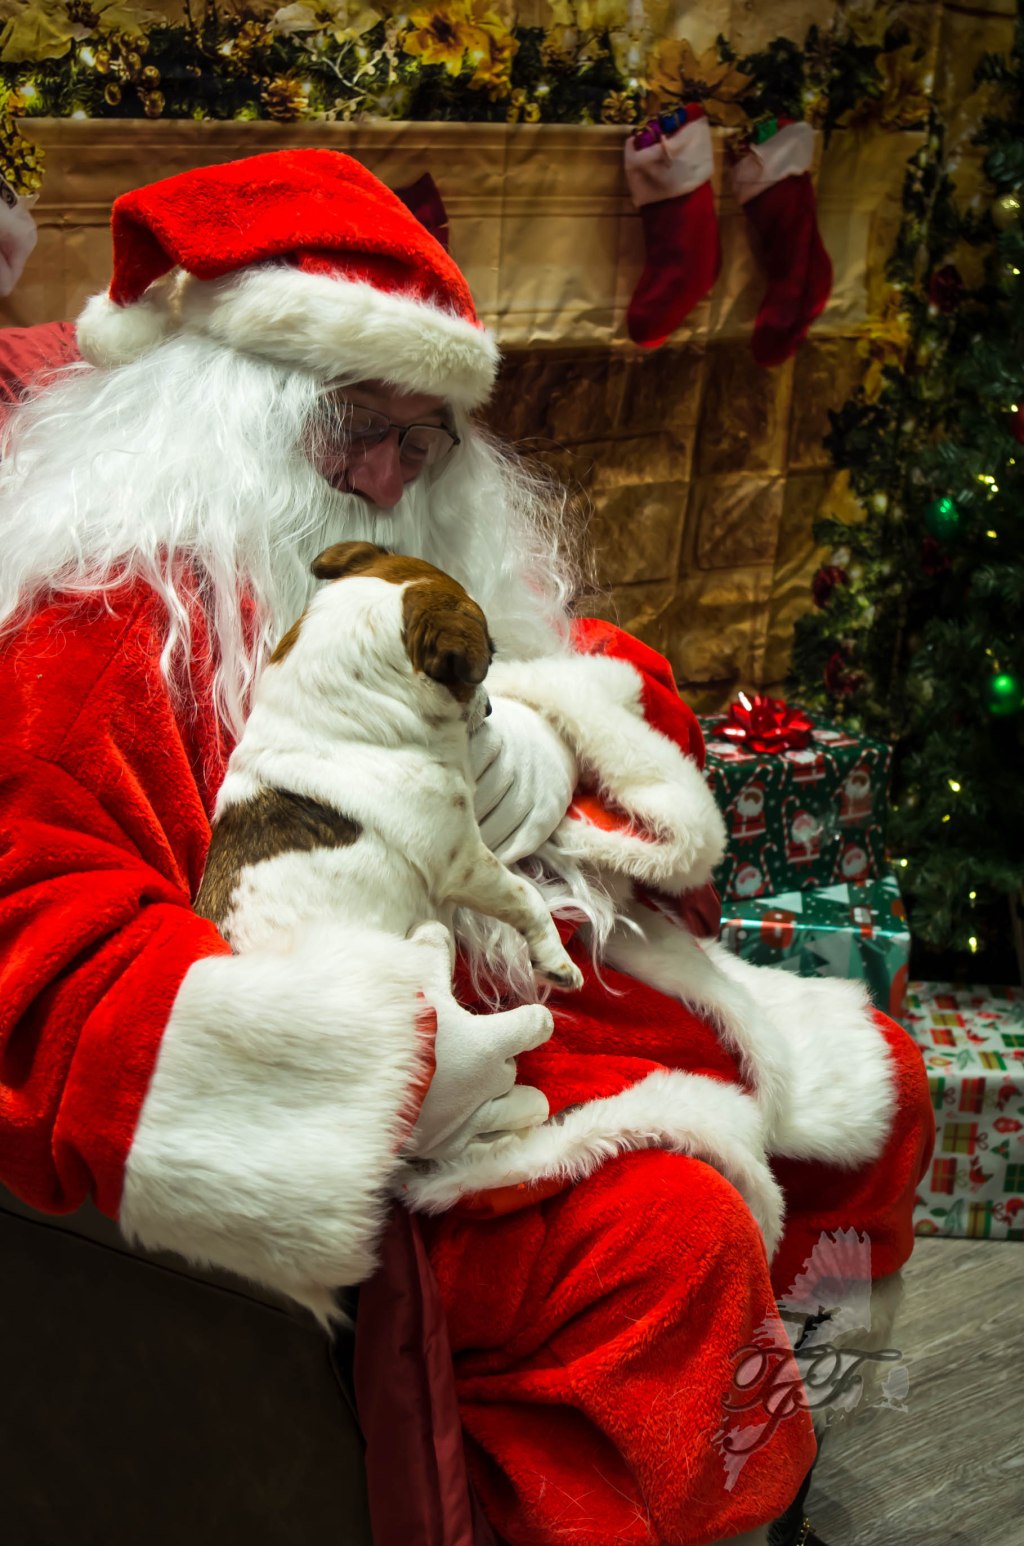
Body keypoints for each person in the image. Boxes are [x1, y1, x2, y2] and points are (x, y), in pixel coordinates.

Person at [0, 149, 933, 1546]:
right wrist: (381, 1066)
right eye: (346, 426)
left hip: (527, 1005)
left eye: (421, 436)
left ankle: (784, 1412)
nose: (386, 474)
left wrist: (558, 743)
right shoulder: (112, 623)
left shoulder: (407, 545)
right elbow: (45, 944)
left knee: (879, 1086)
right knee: (663, 1233)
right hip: (388, 1104)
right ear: (218, 422)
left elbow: (603, 680)